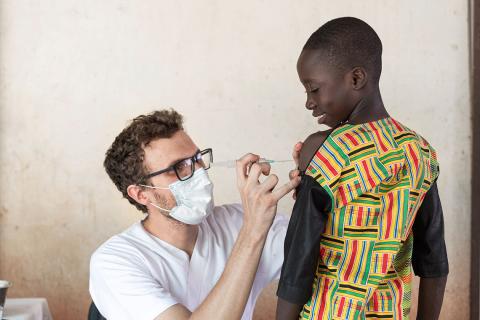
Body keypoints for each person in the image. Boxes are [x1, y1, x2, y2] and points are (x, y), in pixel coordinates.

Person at [276, 17, 449, 320]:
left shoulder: (324, 150)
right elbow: (434, 260)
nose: (309, 102)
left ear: (356, 79)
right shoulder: (420, 151)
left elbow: (297, 264)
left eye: (314, 89)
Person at [89, 109, 301, 320]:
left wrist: (316, 187)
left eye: (197, 159)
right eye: (177, 167)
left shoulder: (236, 221)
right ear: (141, 194)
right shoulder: (114, 261)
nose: (198, 173)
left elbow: (314, 249)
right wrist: (253, 232)